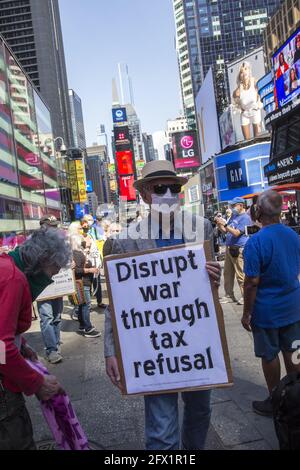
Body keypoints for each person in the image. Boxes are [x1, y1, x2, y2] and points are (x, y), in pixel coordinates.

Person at [104, 160, 221, 450]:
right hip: (153, 347)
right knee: (161, 430)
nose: (169, 193)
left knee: (200, 412)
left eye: (174, 187)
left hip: (196, 342)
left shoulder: (201, 228)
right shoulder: (126, 241)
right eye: (160, 188)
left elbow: (206, 286)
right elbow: (117, 301)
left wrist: (215, 276)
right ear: (144, 193)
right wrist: (112, 349)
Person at [0, 228, 70, 450]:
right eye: (53, 270)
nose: (52, 278)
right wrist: (36, 382)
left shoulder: (6, 266)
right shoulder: (14, 279)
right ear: (43, 260)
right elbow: (1, 346)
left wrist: (22, 345)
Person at [241, 190, 300, 416]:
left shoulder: (256, 241)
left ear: (259, 211)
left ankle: (276, 400)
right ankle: (296, 396)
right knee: (294, 350)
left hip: (267, 310)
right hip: (294, 306)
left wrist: (247, 313)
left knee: (269, 355)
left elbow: (251, 283)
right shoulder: (293, 235)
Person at [36, 215, 64, 364]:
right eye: (52, 226)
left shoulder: (59, 243)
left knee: (57, 316)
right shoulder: (34, 243)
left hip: (58, 286)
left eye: (55, 226)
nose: (55, 229)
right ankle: (51, 350)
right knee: (47, 318)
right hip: (43, 288)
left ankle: (56, 345)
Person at [216, 197, 252, 306]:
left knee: (241, 275)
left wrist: (225, 225)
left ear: (241, 205)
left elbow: (236, 233)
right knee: (227, 274)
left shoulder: (245, 218)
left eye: (233, 205)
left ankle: (245, 297)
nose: (231, 207)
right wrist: (219, 224)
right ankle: (229, 295)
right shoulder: (234, 216)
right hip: (229, 247)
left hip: (238, 249)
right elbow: (225, 231)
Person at [71, 235, 101, 338]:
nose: (87, 240)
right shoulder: (77, 253)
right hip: (82, 283)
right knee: (85, 305)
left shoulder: (79, 253)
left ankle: (82, 325)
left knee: (82, 305)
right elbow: (77, 270)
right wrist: (90, 270)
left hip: (84, 283)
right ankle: (88, 328)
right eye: (85, 239)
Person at [233, 61, 263, 140]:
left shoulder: (255, 82)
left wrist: (259, 102)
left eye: (246, 69)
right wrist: (239, 107)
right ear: (240, 76)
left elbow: (262, 90)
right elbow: (234, 98)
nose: (244, 72)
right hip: (245, 114)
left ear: (249, 71)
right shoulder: (239, 89)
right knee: (247, 141)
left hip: (255, 111)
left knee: (258, 139)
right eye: (241, 72)